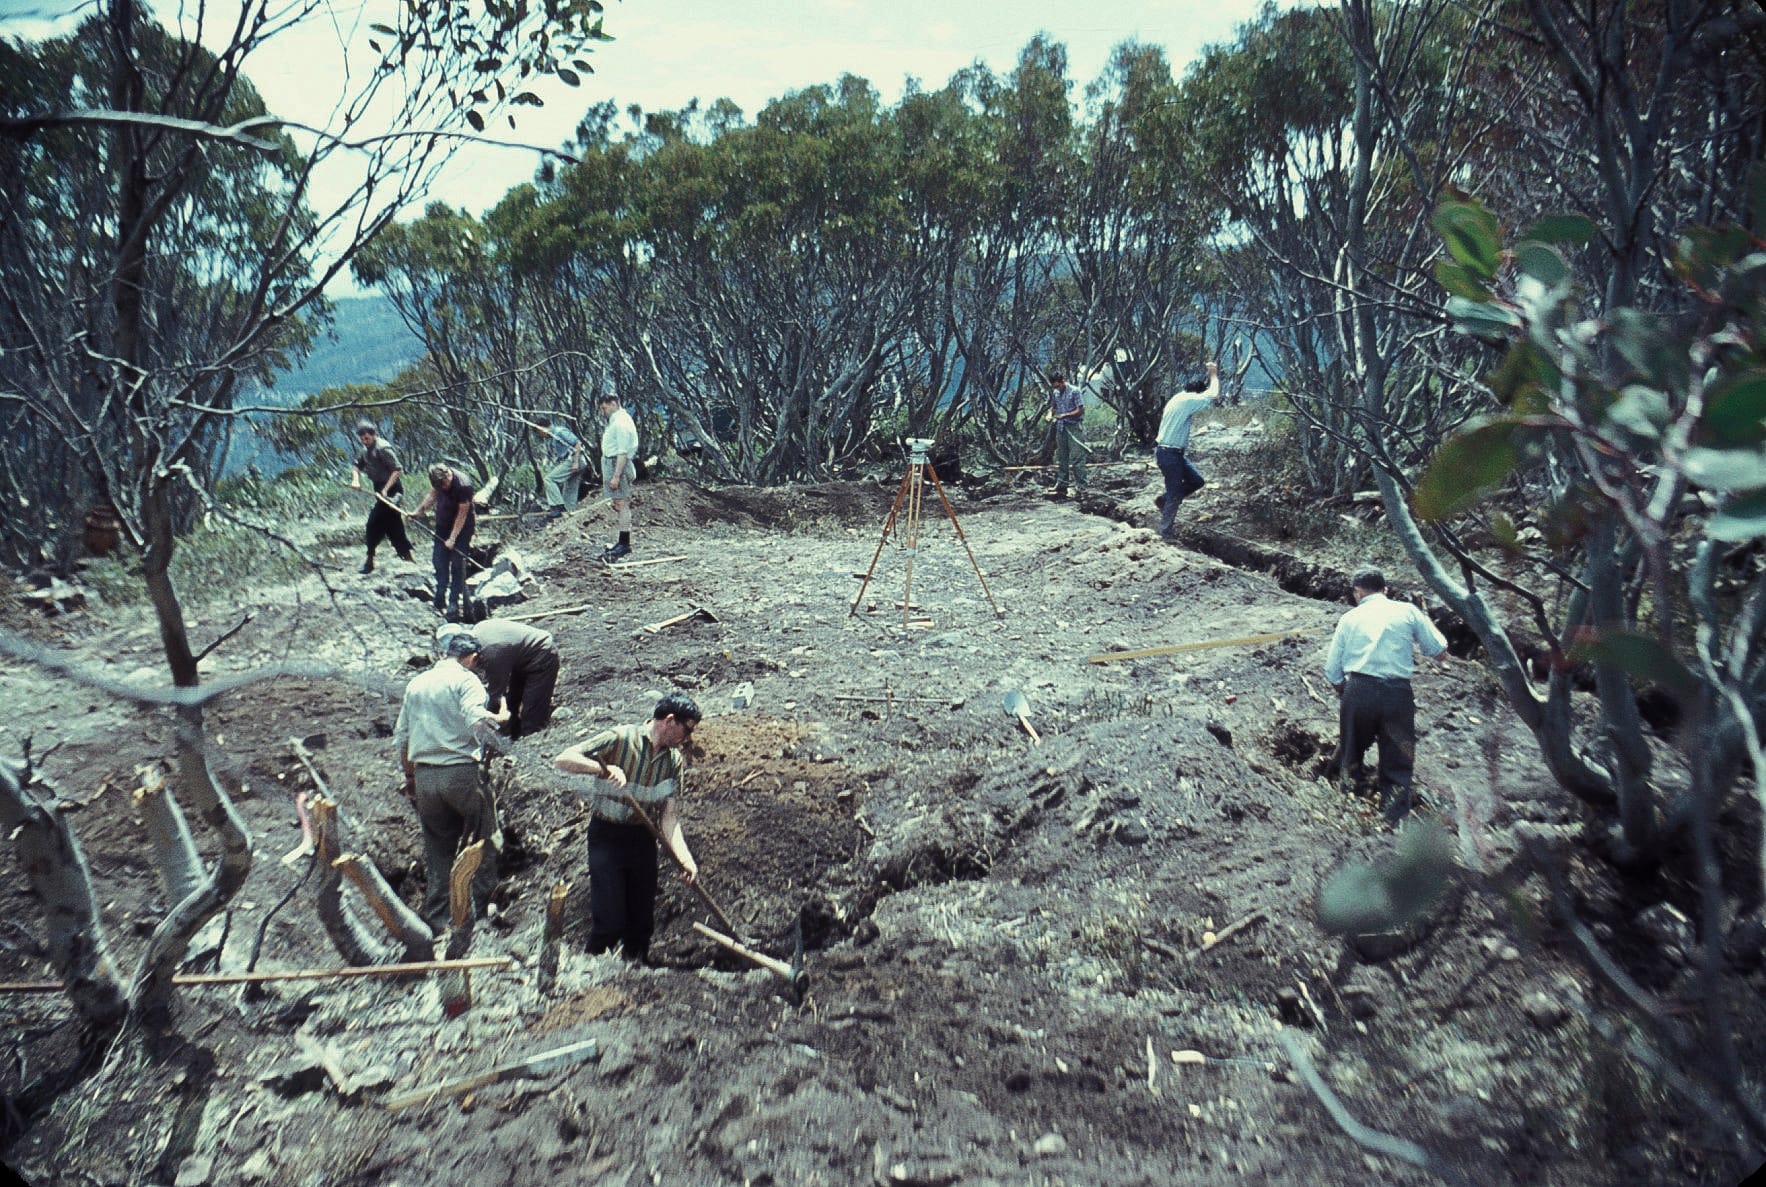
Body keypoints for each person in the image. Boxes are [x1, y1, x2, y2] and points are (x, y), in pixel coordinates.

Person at [553, 693, 702, 961]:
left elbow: (669, 818)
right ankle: (588, 976)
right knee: (609, 921)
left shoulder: (673, 762)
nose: (688, 738)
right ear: (670, 721)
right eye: (687, 729)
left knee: (641, 922)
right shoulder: (621, 738)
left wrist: (685, 859)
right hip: (606, 836)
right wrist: (603, 770)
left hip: (642, 839)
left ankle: (635, 976)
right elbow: (563, 758)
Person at [393, 630, 510, 932]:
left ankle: (439, 919)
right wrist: (501, 718)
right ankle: (477, 915)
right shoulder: (466, 680)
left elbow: (403, 738)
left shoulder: (416, 683)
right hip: (461, 772)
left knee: (438, 850)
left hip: (425, 777)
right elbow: (476, 719)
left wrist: (409, 776)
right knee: (484, 841)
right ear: (470, 657)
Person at [1324, 568, 1450, 825]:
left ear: (1357, 592)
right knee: (1398, 764)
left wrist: (1345, 694)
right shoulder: (1407, 611)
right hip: (1397, 695)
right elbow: (1439, 651)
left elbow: (1332, 671)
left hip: (1359, 690)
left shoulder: (1350, 618)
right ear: (1386, 589)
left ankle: (1346, 818)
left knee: (1351, 756)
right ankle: (1393, 826)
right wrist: (1423, 618)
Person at [437, 619, 560, 739]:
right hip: (518, 656)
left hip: (542, 653)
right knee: (512, 703)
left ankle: (532, 738)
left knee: (532, 716)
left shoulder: (492, 653)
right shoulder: (477, 635)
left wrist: (480, 717)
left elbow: (495, 693)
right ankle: (513, 727)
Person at [1153, 361, 1221, 540]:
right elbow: (1213, 394)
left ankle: (1163, 500)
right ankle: (1165, 533)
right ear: (1197, 393)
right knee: (1176, 493)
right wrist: (1213, 373)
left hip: (1171, 453)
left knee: (1197, 481)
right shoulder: (1189, 400)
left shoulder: (1178, 397)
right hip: (1170, 454)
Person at [348, 419, 414, 574]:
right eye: (362, 439)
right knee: (393, 526)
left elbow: (397, 469)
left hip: (392, 491)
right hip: (378, 489)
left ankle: (370, 560)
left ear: (374, 435)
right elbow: (356, 465)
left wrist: (386, 489)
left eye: (367, 438)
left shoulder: (383, 448)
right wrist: (355, 479)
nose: (365, 441)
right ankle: (407, 556)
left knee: (373, 524)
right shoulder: (365, 450)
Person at [412, 462, 476, 619]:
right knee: (439, 562)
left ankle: (454, 604)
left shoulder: (463, 485)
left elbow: (462, 514)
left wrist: (453, 538)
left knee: (457, 564)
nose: (443, 487)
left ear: (448, 475)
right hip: (443, 525)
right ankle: (439, 599)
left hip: (462, 530)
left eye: (444, 484)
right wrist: (418, 511)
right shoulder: (438, 481)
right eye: (439, 486)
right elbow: (432, 496)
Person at [597, 388, 639, 562]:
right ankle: (622, 541)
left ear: (613, 404)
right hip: (612, 463)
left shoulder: (621, 422)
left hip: (618, 465)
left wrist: (615, 476)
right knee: (619, 503)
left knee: (622, 504)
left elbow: (622, 452)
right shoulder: (616, 420)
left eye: (604, 408)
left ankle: (624, 544)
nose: (603, 412)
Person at [532, 414, 583, 517]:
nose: (541, 435)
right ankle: (569, 513)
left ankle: (557, 507)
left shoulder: (559, 432)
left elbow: (577, 443)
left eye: (539, 432)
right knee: (570, 488)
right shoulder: (553, 436)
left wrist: (575, 462)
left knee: (549, 479)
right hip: (574, 460)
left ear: (543, 428)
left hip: (574, 459)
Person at [1047, 372, 1087, 497]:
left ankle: (1081, 486)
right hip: (1061, 428)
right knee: (1062, 457)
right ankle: (1062, 484)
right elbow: (1054, 407)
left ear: (1063, 381)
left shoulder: (1075, 391)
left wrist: (1065, 415)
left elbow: (1080, 410)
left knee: (1077, 458)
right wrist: (1050, 414)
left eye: (1058, 385)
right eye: (1055, 386)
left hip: (1074, 427)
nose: (1057, 388)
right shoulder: (1056, 393)